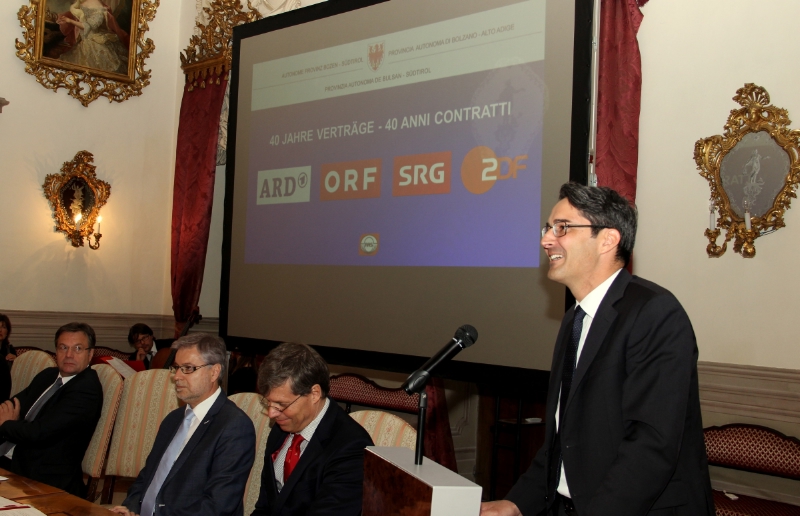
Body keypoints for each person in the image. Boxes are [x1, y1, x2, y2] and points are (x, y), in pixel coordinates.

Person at [481, 183, 714, 516]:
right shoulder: (574, 320)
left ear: (608, 239)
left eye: (562, 228)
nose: (546, 240)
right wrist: (517, 502)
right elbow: (561, 439)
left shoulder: (655, 313)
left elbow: (650, 447)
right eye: (547, 228)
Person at [112, 333, 255, 516]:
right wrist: (130, 508)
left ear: (214, 372)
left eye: (188, 368)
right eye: (176, 367)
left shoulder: (234, 426)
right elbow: (148, 476)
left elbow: (217, 506)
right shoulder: (173, 419)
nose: (177, 376)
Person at [251, 342, 374, 516]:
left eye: (281, 404)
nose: (272, 413)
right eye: (268, 403)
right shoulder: (281, 428)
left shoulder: (351, 447)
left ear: (314, 393)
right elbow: (264, 508)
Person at [0, 322, 103, 496]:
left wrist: (7, 424)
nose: (69, 355)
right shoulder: (48, 375)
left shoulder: (86, 389)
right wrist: (8, 421)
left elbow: (39, 432)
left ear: (90, 353)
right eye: (63, 347)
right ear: (56, 351)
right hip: (11, 462)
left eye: (78, 348)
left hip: (42, 480)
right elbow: (11, 405)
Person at [56, 0, 129, 74]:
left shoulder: (98, 6)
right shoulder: (81, 2)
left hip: (95, 40)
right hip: (85, 37)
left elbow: (88, 26)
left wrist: (70, 21)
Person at [0, 314, 17, 402]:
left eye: (3, 327)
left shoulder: (10, 350)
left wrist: (16, 360)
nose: (0, 330)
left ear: (7, 332)